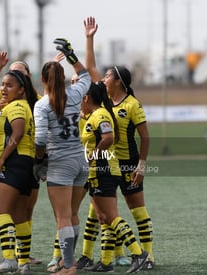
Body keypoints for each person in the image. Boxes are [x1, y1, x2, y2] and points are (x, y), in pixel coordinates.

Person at [77, 16, 154, 271]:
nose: (103, 78)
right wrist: (89, 38)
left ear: (118, 80)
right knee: (100, 214)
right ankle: (101, 259)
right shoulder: (106, 102)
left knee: (137, 211)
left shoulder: (132, 105)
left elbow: (145, 137)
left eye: (107, 75)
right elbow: (89, 66)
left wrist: (141, 166)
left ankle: (147, 257)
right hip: (108, 165)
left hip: (128, 163)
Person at [34, 39, 90, 275]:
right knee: (73, 214)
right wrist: (70, 55)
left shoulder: (42, 105)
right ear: (64, 77)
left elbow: (39, 140)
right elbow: (86, 76)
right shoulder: (75, 93)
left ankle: (68, 267)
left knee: (63, 217)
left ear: (43, 80)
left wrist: (39, 162)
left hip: (60, 164)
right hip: (80, 161)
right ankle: (70, 261)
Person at [79, 81, 149, 273]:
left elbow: (108, 137)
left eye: (80, 99)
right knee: (103, 218)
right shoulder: (95, 114)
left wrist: (93, 156)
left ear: (86, 98)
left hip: (104, 172)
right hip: (99, 173)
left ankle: (138, 254)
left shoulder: (100, 114)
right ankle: (106, 262)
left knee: (110, 216)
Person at [0, 52, 42, 266]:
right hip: (26, 164)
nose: (3, 89)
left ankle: (9, 259)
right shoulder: (19, 104)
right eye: (3, 84)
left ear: (23, 86)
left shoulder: (18, 105)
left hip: (16, 162)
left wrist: (2, 159)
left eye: (9, 84)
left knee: (0, 211)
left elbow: (17, 134)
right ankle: (23, 261)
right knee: (19, 215)